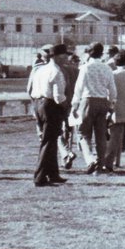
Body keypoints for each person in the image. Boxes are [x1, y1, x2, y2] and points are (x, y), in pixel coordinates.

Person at [72, 43, 117, 174]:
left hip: (87, 100)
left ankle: (90, 159)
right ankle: (100, 164)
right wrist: (111, 104)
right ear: (101, 53)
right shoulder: (107, 68)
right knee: (101, 135)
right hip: (103, 102)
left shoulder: (85, 68)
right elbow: (112, 89)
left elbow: (79, 88)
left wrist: (75, 104)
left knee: (83, 133)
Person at [29, 44, 70, 186]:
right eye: (64, 55)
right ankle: (39, 177)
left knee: (50, 140)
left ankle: (53, 173)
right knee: (48, 141)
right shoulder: (57, 72)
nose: (66, 58)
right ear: (58, 56)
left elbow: (32, 90)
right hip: (50, 106)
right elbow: (59, 97)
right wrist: (66, 107)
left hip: (38, 103)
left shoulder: (40, 70)